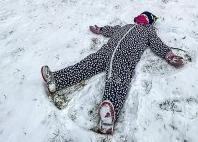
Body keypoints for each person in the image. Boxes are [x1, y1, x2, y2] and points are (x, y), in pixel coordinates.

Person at [40, 11, 184, 134]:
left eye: (143, 18)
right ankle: (56, 80)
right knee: (85, 65)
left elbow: (156, 43)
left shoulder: (149, 31)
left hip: (125, 57)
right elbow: (112, 30)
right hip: (105, 52)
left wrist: (169, 55)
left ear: (147, 21)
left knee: (117, 79)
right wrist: (101, 30)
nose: (140, 19)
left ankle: (108, 117)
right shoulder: (126, 26)